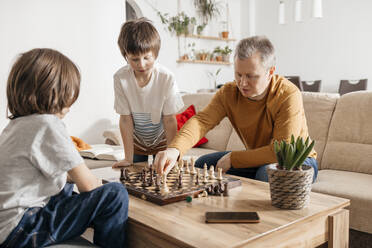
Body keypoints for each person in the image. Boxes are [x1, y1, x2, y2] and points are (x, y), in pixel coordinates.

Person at [0, 48, 128, 247]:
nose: (72, 102)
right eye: (70, 93)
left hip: (6, 226)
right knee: (115, 194)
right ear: (53, 92)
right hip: (22, 229)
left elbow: (45, 176)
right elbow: (89, 186)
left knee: (64, 184)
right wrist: (100, 185)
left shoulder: (15, 126)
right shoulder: (47, 124)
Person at [154, 36, 318, 183]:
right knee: (203, 165)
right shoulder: (229, 92)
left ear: (270, 72)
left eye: (251, 76)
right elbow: (201, 121)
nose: (243, 83)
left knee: (267, 173)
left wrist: (234, 158)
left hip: (297, 161)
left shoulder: (288, 94)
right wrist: (174, 150)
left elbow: (280, 152)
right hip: (259, 159)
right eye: (238, 74)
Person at [113, 18, 184, 168]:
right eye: (134, 59)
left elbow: (170, 120)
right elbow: (125, 120)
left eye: (147, 58)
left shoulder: (167, 77)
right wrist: (128, 158)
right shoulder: (120, 78)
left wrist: (172, 154)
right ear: (125, 55)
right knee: (136, 181)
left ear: (156, 53)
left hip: (164, 142)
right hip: (137, 144)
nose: (141, 64)